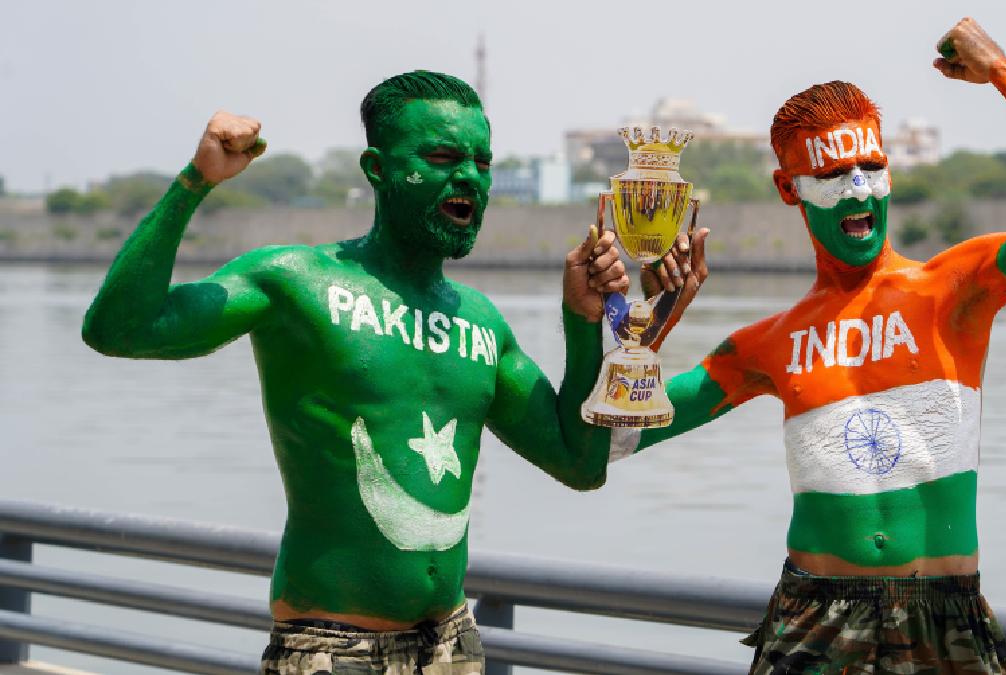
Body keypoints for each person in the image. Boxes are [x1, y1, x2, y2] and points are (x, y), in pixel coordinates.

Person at [618, 17, 1006, 673]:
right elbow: (618, 437)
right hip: (814, 618)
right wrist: (651, 325)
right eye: (833, 173)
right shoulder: (768, 342)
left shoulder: (957, 288)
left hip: (944, 616)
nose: (858, 187)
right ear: (789, 188)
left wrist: (1003, 73)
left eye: (871, 165)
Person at [82, 70, 630, 674]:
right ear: (377, 169)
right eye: (443, 156)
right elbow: (118, 329)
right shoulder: (295, 282)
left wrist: (582, 323)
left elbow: (580, 464)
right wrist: (195, 182)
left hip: (452, 644)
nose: (468, 175)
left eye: (481, 161)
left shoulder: (482, 324)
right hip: (331, 647)